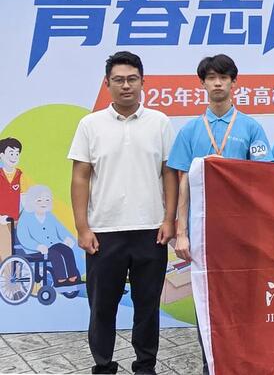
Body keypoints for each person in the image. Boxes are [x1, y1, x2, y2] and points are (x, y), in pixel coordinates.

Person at [69, 51, 177, 375]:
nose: (126, 85)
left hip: (151, 231)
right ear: (107, 83)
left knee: (147, 307)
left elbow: (169, 174)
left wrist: (169, 220)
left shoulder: (160, 122)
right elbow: (80, 177)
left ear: (143, 82)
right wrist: (82, 228)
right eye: (118, 80)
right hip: (104, 232)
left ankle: (145, 366)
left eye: (132, 79)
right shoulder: (90, 125)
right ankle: (103, 365)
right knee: (102, 307)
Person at [167, 54, 270, 375]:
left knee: (245, 298)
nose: (217, 83)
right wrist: (181, 233)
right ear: (202, 84)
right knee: (207, 299)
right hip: (203, 233)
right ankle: (211, 364)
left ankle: (246, 363)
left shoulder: (251, 128)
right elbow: (182, 182)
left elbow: (262, 179)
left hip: (243, 232)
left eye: (223, 78)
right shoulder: (190, 131)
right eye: (211, 78)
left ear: (233, 82)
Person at [17, 184, 81, 284]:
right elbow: (24, 237)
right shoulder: (25, 217)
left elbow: (60, 229)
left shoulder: (49, 215)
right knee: (55, 255)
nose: (44, 203)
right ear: (31, 202)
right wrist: (37, 246)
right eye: (39, 200)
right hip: (34, 249)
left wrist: (66, 238)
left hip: (52, 244)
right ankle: (61, 280)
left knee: (67, 250)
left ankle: (73, 277)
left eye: (47, 200)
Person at [0, 137, 30, 222]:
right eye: (11, 153)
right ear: (2, 155)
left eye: (17, 154)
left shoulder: (21, 175)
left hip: (15, 220)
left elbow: (25, 200)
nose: (14, 157)